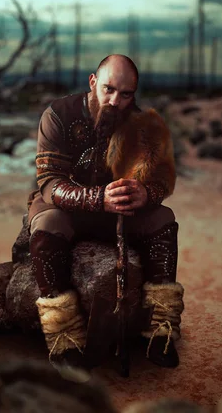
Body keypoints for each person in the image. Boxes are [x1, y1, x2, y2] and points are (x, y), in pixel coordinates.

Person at [27, 54, 184, 371]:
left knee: (164, 218)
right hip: (66, 208)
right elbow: (49, 182)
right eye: (109, 89)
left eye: (126, 94)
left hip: (118, 213)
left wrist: (145, 193)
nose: (116, 101)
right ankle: (64, 337)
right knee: (47, 223)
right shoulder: (58, 115)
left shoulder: (142, 125)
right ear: (92, 82)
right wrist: (98, 198)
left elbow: (161, 180)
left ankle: (161, 327)